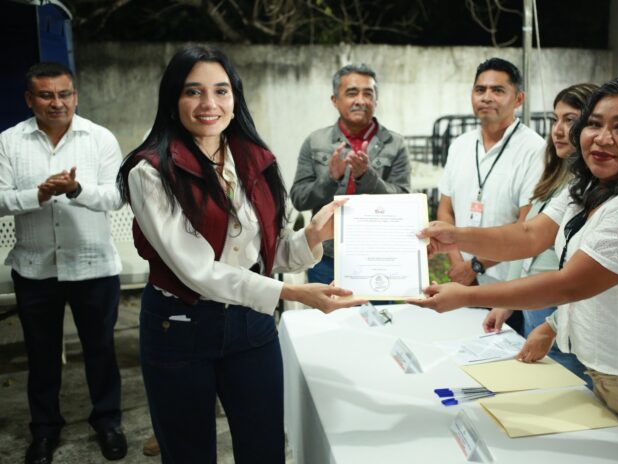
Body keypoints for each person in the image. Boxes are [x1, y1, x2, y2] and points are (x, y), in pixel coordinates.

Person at [409, 77, 618, 463]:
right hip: (605, 376)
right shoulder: (588, 185)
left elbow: (568, 285)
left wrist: (468, 296)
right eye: (594, 124)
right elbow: (530, 234)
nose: (602, 137)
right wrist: (456, 236)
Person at [117, 45, 364, 464]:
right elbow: (198, 271)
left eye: (221, 90)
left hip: (252, 325)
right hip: (181, 327)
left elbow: (271, 253)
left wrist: (314, 234)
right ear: (173, 100)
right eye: (193, 92)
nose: (209, 104)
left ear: (235, 98)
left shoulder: (256, 160)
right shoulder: (152, 172)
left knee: (265, 448)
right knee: (189, 453)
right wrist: (294, 295)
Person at [0, 62, 127, 463]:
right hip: (35, 267)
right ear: (29, 99)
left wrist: (76, 188)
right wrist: (35, 196)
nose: (57, 103)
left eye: (64, 94)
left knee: (101, 351)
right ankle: (44, 430)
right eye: (46, 95)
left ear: (75, 96)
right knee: (41, 354)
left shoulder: (99, 138)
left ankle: (108, 423)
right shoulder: (8, 142)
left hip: (94, 266)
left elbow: (116, 196)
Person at [484, 83, 598, 385]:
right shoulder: (554, 175)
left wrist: (552, 326)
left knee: (569, 393)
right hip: (535, 304)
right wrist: (507, 300)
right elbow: (526, 241)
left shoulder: (595, 187)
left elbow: (589, 278)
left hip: (562, 313)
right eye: (555, 119)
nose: (558, 130)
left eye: (570, 120)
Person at [437, 57, 545, 333]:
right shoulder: (460, 146)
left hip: (510, 290)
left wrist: (475, 265)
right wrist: (460, 265)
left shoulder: (535, 150)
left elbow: (527, 227)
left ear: (518, 98)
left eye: (497, 90)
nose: (486, 97)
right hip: (463, 284)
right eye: (480, 90)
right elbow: (445, 210)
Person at [290, 63, 411, 284]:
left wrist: (367, 177)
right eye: (352, 93)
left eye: (368, 93)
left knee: (382, 318)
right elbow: (299, 199)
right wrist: (330, 179)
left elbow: (404, 201)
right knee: (327, 318)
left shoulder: (395, 143)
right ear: (335, 100)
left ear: (376, 100)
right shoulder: (316, 141)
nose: (360, 100)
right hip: (325, 257)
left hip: (379, 257)